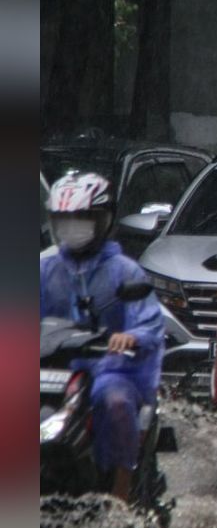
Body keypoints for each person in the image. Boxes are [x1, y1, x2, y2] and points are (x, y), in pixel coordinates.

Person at [41, 172, 165, 503]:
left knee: (115, 402)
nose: (72, 227)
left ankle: (120, 493)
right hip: (51, 367)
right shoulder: (45, 268)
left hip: (111, 369)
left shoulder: (125, 271)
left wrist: (129, 336)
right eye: (65, 220)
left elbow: (149, 321)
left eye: (81, 219)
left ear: (102, 220)